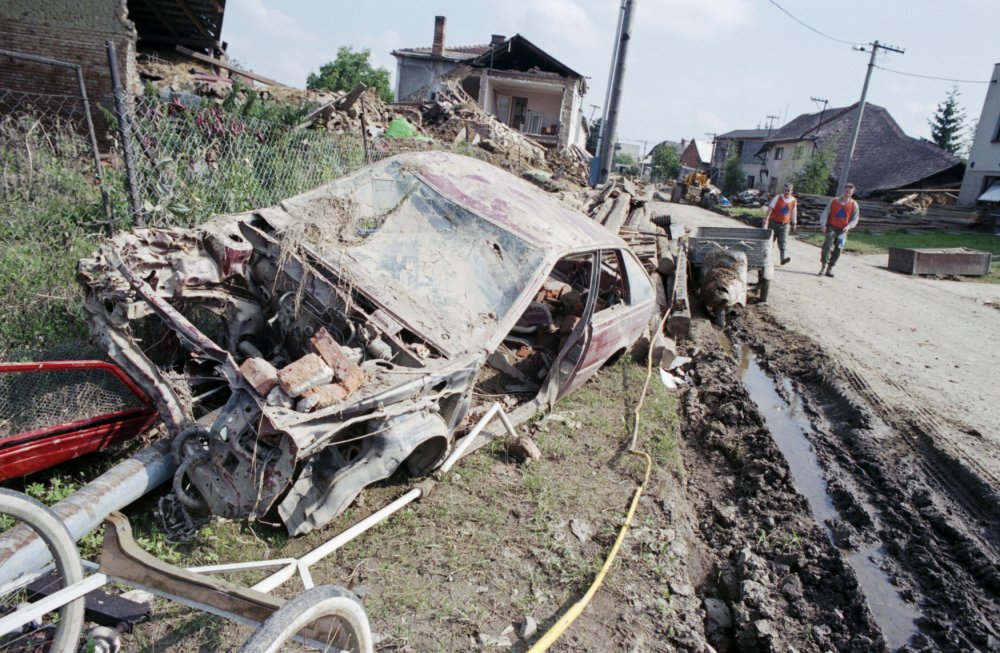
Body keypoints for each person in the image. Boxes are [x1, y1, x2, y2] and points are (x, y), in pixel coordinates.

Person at [818, 183, 860, 278]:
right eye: (846, 191)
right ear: (843, 191)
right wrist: (823, 224)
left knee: (839, 248)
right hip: (831, 228)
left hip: (843, 231)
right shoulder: (834, 201)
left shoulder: (854, 205)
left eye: (849, 192)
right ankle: (823, 266)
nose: (847, 194)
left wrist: (848, 227)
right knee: (827, 246)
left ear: (852, 193)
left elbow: (855, 219)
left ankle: (830, 268)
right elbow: (826, 212)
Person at [763, 182, 797, 265]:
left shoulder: (793, 200)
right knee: (770, 242)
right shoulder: (778, 197)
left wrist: (794, 223)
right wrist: (766, 219)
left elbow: (793, 212)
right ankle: (765, 259)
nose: (786, 192)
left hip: (785, 225)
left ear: (791, 191)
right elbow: (770, 208)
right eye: (785, 190)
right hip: (774, 223)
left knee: (783, 242)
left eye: (788, 190)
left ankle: (783, 259)